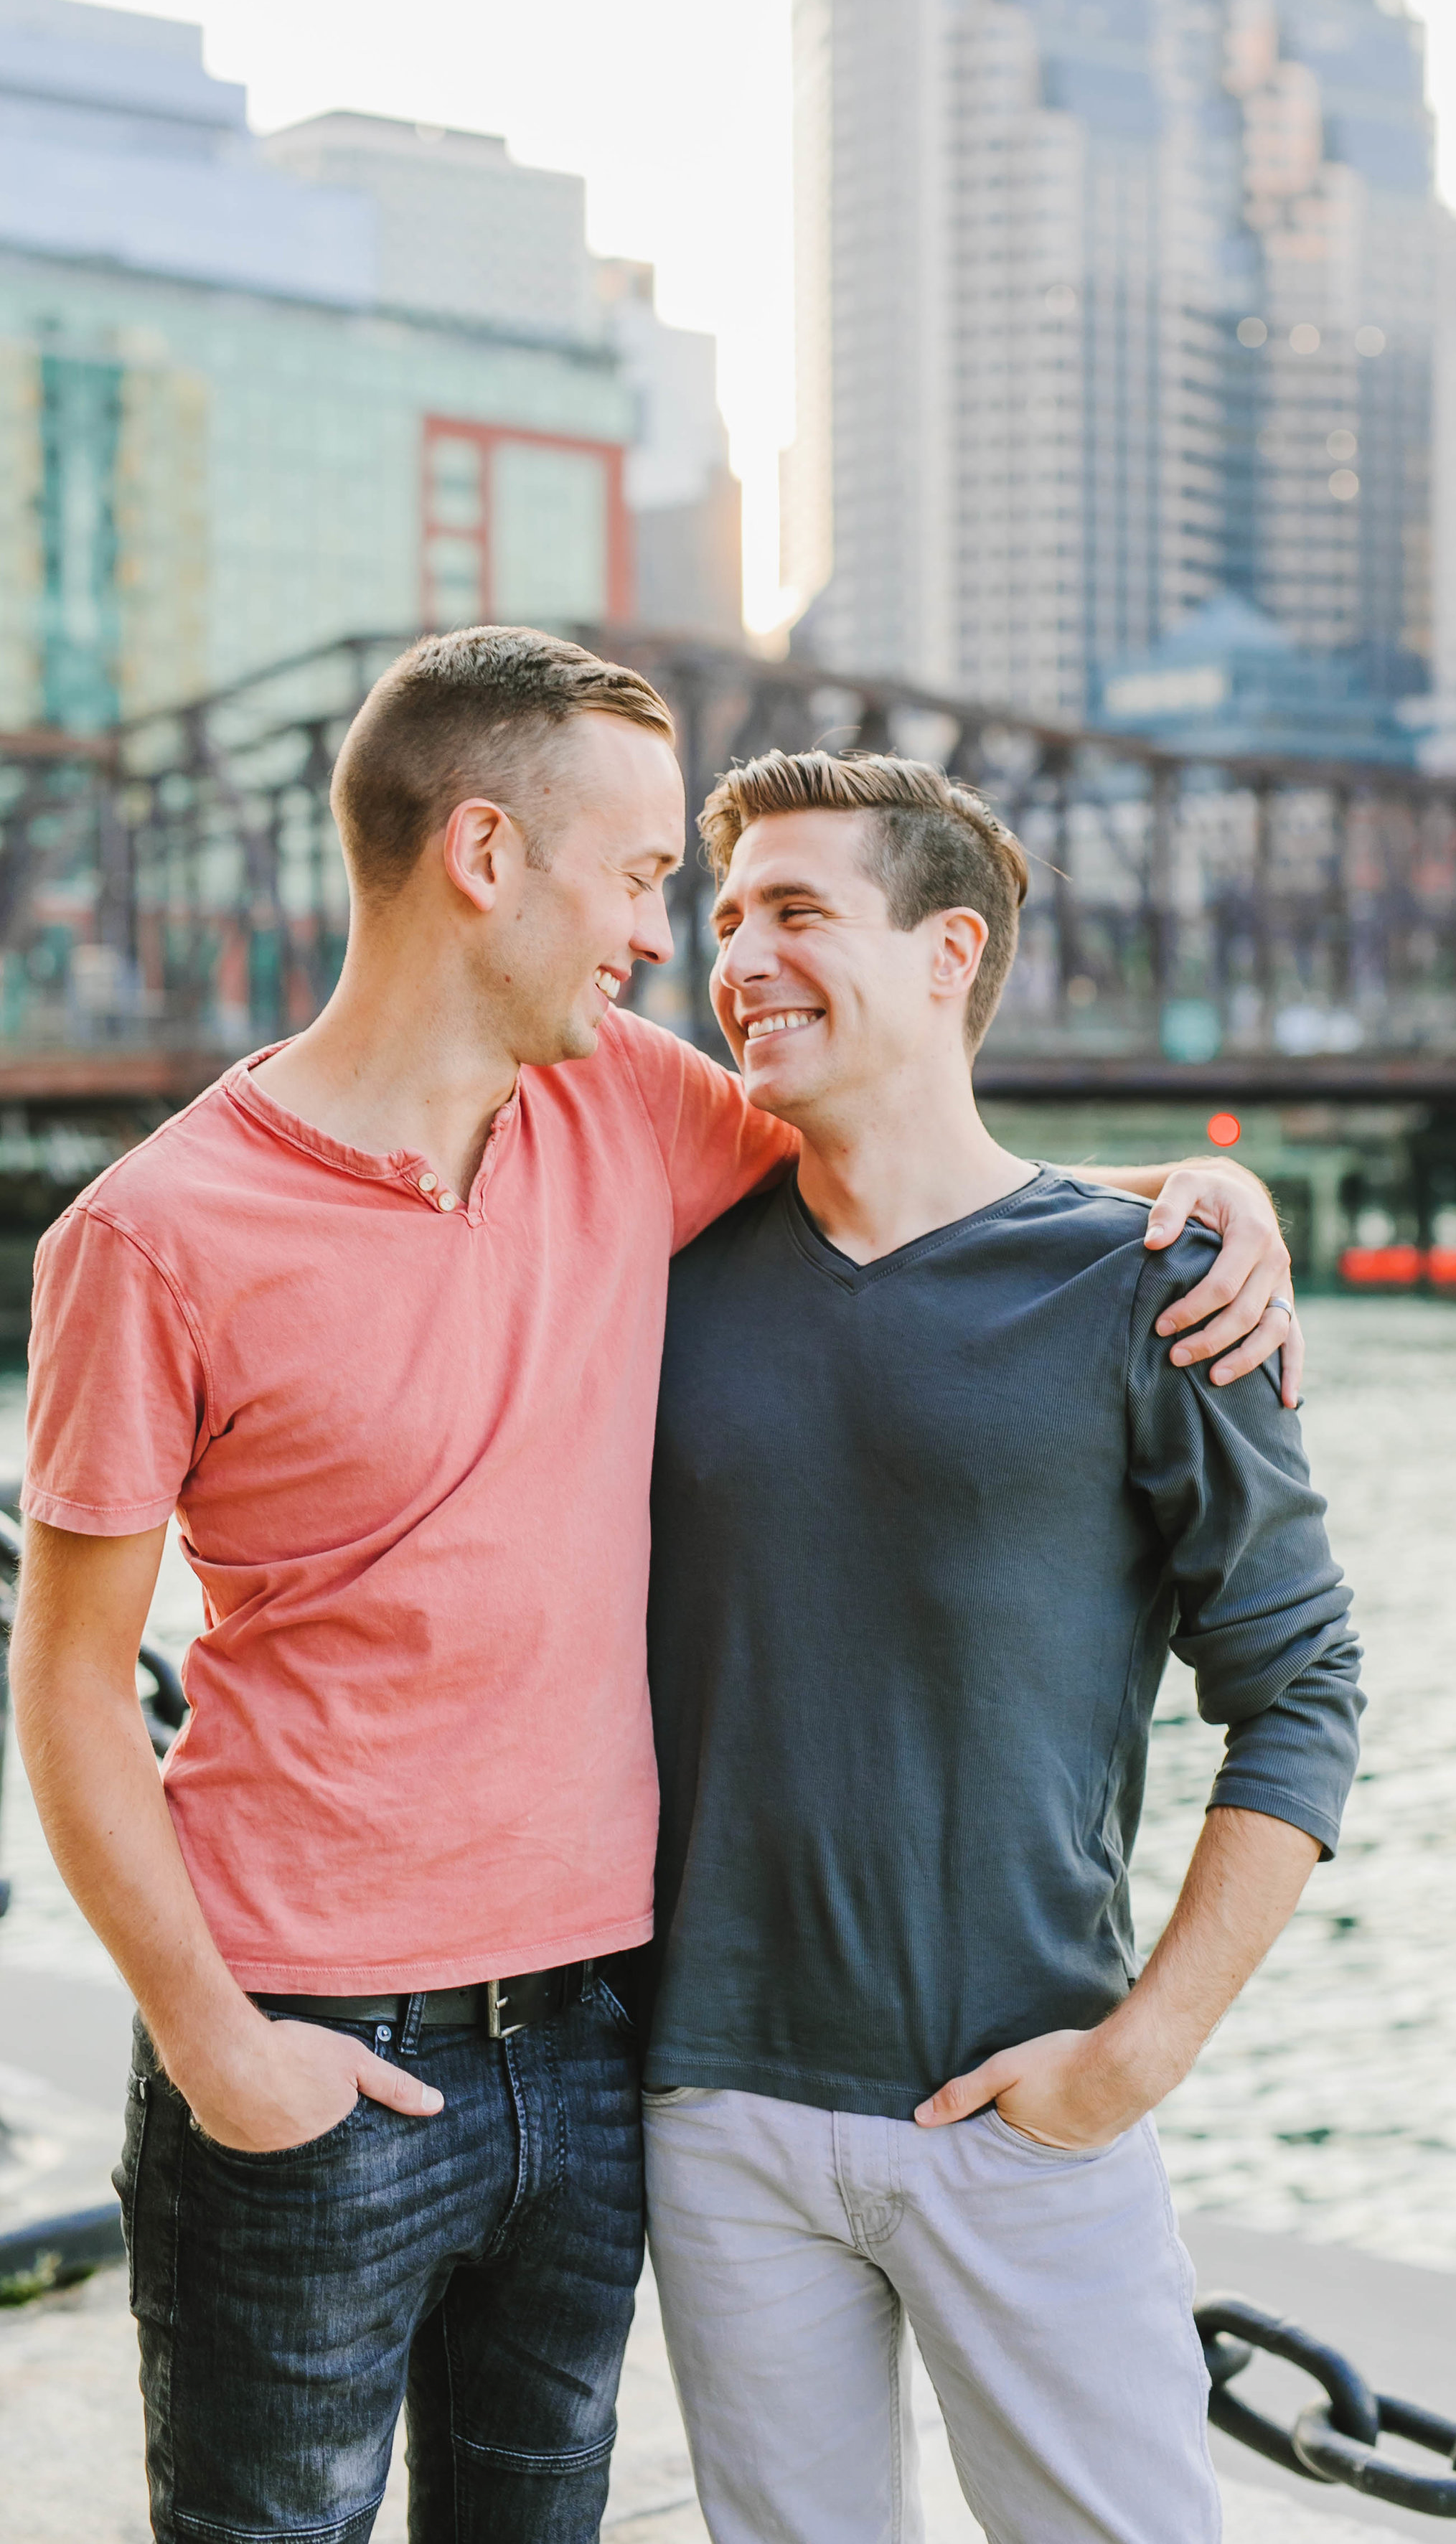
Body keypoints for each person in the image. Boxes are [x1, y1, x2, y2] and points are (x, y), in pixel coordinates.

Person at [10, 628, 1299, 2544]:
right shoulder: (155, 1231)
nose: (654, 938)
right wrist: (218, 2045)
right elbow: (70, 1680)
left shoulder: (621, 1102)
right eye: (635, 877)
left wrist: (1195, 1193)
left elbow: (906, 1150)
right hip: (314, 2046)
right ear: (480, 858)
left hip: (599, 2037)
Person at [642, 748, 1363, 2544]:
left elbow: (1300, 1693)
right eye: (724, 917)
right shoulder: (650, 1271)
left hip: (1019, 2104)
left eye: (798, 911)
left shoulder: (1148, 1286)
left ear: (948, 950)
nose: (737, 956)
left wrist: (1130, 2061)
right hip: (713, 2108)